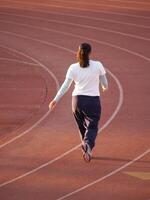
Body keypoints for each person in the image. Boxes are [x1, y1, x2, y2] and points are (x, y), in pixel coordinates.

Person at [49, 43, 108, 162]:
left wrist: (55, 99)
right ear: (90, 53)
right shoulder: (98, 65)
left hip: (76, 101)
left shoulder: (73, 67)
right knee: (92, 126)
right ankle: (87, 145)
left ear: (78, 52)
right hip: (92, 101)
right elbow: (105, 84)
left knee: (81, 127)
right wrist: (104, 87)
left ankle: (85, 150)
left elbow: (66, 85)